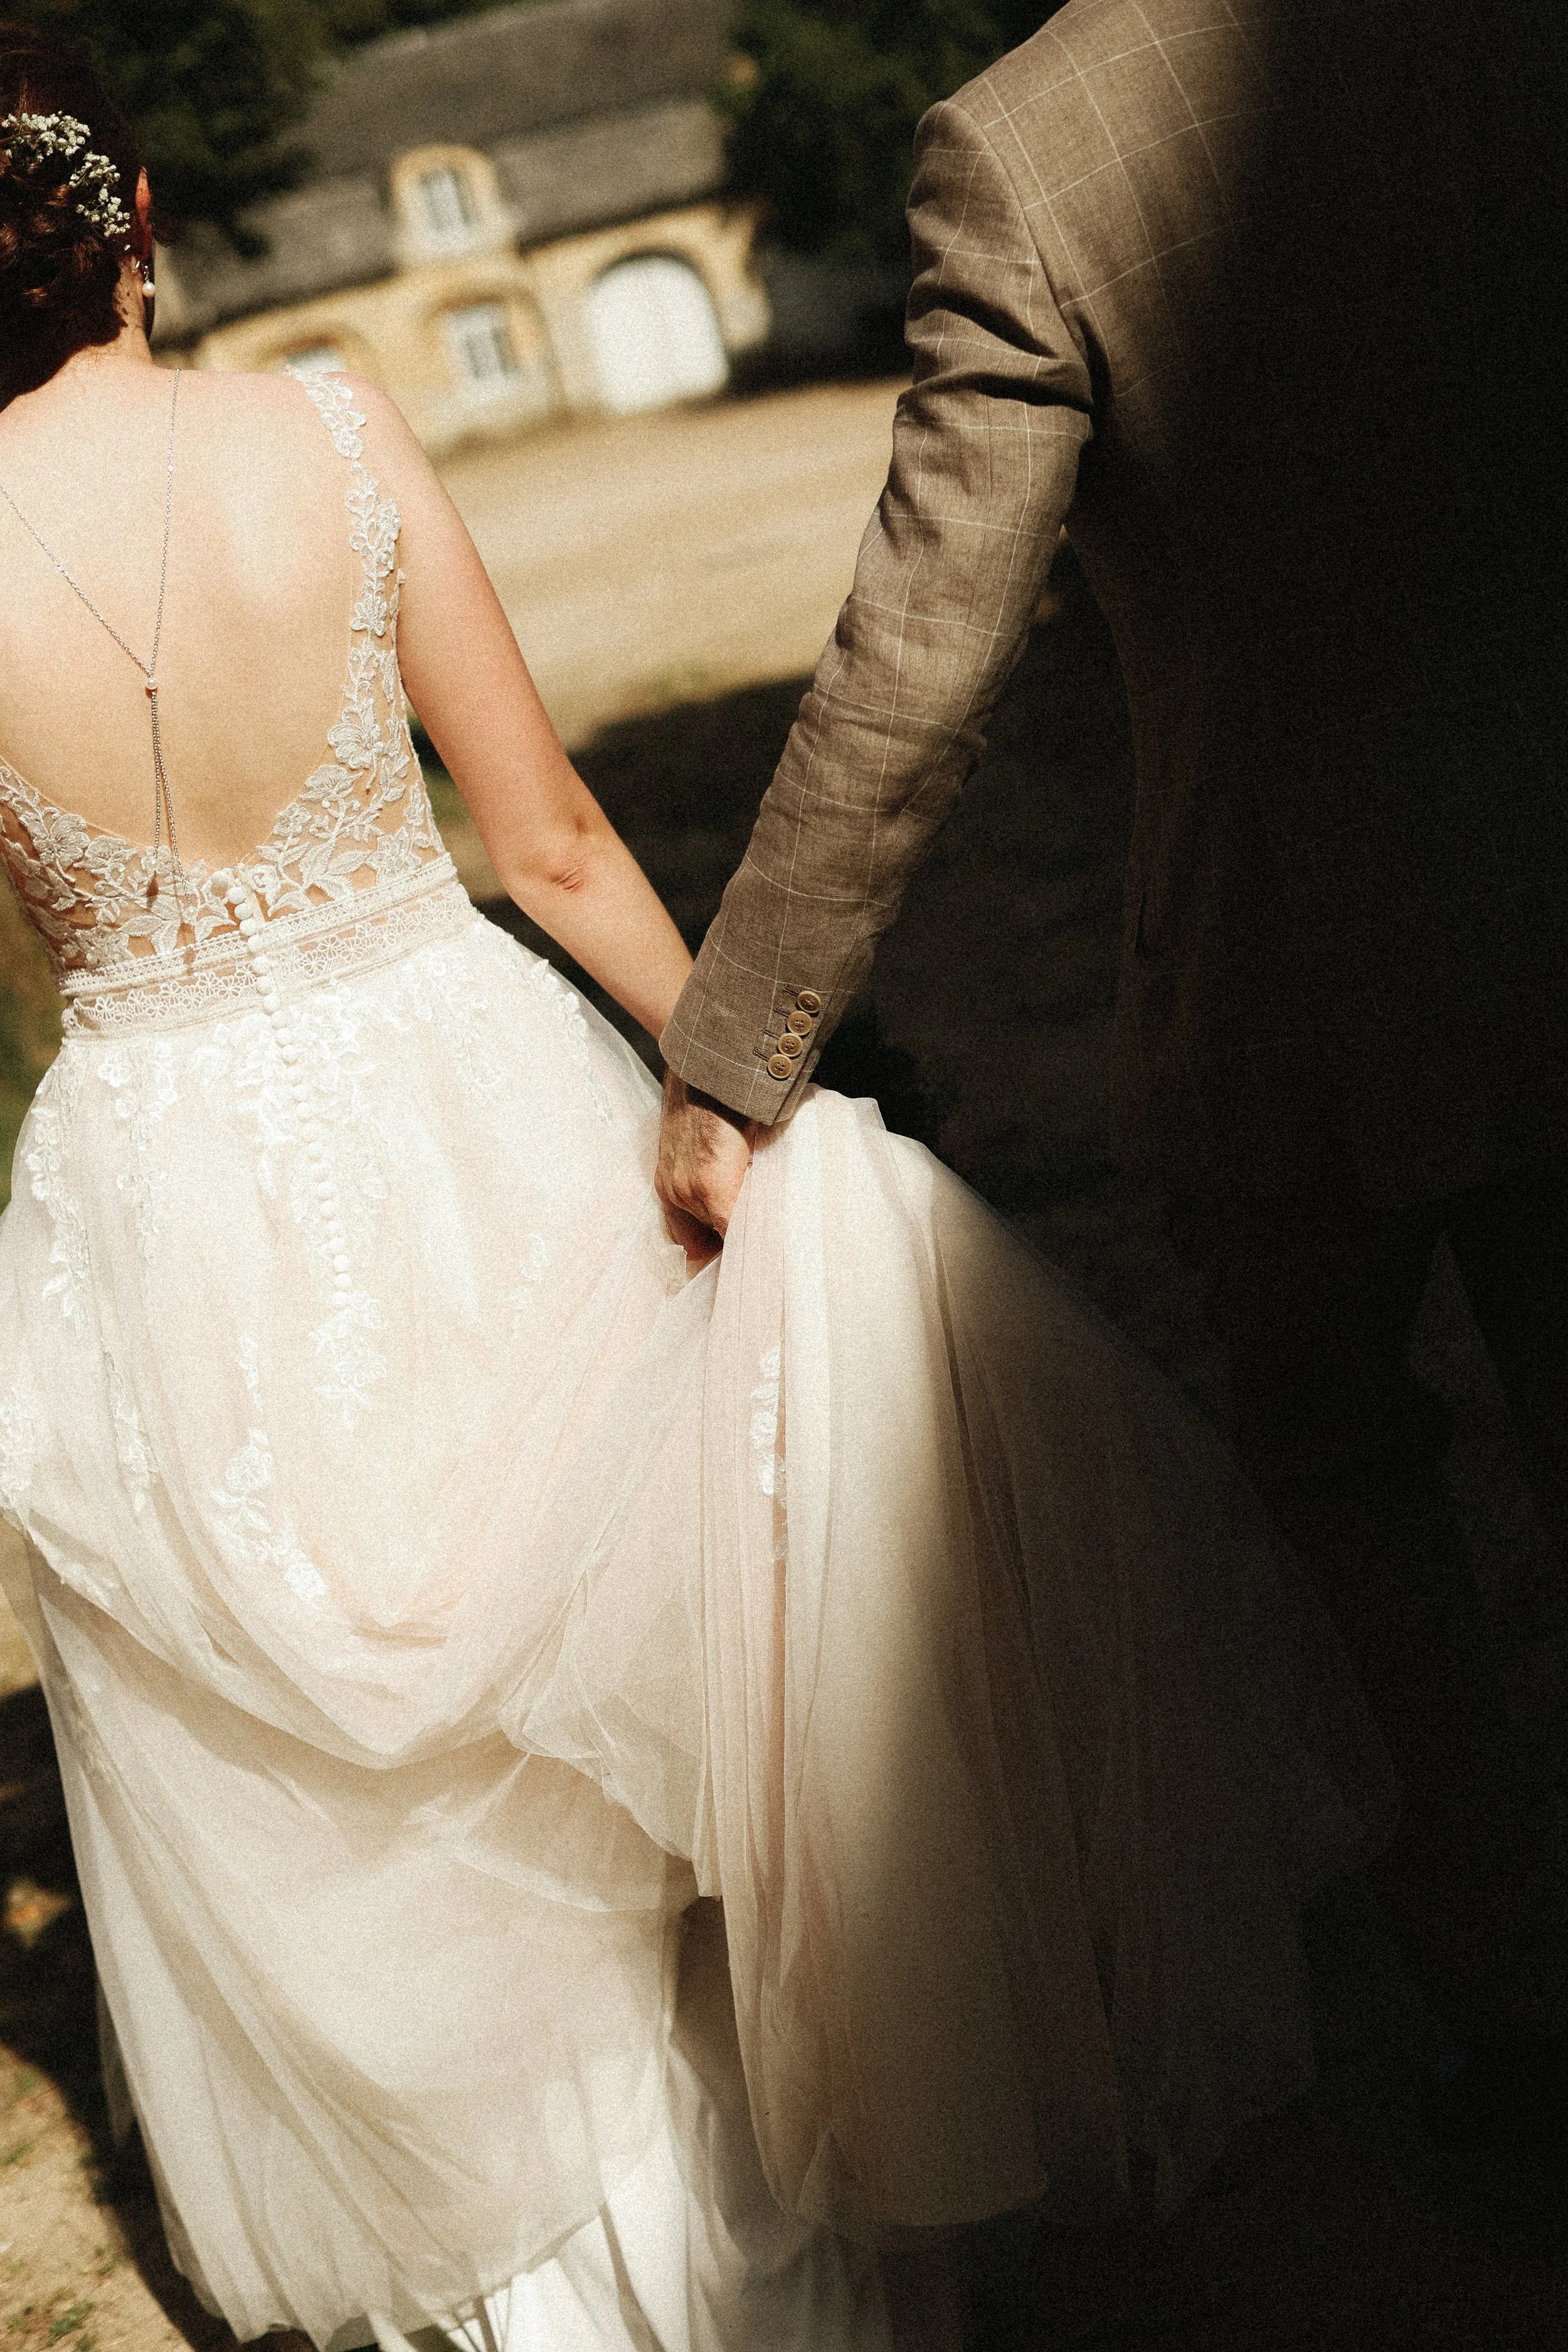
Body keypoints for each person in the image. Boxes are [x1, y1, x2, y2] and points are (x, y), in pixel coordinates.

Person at [0, 25, 1393, 2352]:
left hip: (159, 1179)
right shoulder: (330, 435)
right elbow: (543, 835)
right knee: (613, 1703)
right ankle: (779, 2233)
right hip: (449, 1096)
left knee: (320, 1779)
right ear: (133, 219)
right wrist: (751, 1078)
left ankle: (530, 2282)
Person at [657, 0, 1568, 2104]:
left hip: (1295, 975)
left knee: (1351, 1472)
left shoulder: (1029, 151)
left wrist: (735, 1045)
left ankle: (1516, 1968)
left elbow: (923, 643)